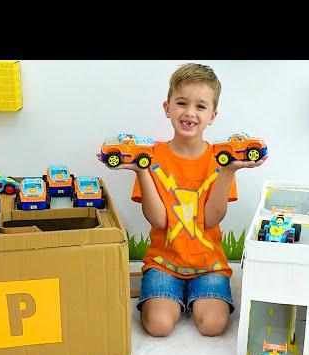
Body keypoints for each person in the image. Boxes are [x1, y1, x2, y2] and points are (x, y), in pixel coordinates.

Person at [104, 63, 267, 337]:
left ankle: (194, 296)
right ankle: (174, 297)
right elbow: (158, 220)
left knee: (213, 326)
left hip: (208, 264)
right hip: (163, 263)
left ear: (213, 115)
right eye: (182, 103)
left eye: (201, 106)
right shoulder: (151, 156)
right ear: (167, 108)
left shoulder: (221, 158)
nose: (190, 112)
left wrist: (228, 171)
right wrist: (142, 170)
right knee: (158, 326)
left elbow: (211, 220)